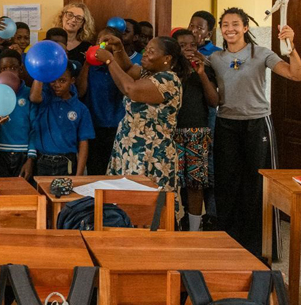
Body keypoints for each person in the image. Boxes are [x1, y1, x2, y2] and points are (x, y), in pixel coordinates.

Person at [209, 8, 301, 257]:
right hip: (226, 125)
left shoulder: (261, 53)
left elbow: (297, 74)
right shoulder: (215, 58)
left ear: (246, 28)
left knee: (259, 186)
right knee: (227, 186)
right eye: (225, 25)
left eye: (235, 24)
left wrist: (290, 46)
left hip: (257, 124)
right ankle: (229, 245)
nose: (230, 29)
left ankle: (263, 247)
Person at [95, 34, 187, 216]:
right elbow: (128, 69)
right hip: (130, 149)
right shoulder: (150, 74)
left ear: (167, 59)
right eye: (146, 50)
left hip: (150, 154)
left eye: (151, 52)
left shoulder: (168, 80)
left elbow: (131, 89)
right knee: (125, 203)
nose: (145, 54)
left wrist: (109, 61)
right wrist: (119, 48)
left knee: (147, 208)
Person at [172, 29, 218, 231]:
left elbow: (214, 101)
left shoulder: (204, 70)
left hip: (197, 132)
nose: (188, 49)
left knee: (195, 184)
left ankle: (193, 229)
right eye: (182, 46)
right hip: (171, 133)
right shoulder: (168, 71)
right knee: (170, 182)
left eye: (192, 45)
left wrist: (201, 74)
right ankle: (170, 224)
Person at [30, 61, 93, 176]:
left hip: (67, 163)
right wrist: (41, 72)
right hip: (42, 161)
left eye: (62, 81)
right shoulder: (45, 100)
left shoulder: (81, 109)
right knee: (42, 194)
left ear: (72, 80)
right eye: (53, 80)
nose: (57, 85)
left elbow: (83, 142)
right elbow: (34, 97)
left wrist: (79, 175)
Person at [76, 27, 124, 175]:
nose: (102, 45)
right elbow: (80, 91)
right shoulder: (89, 69)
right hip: (94, 126)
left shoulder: (119, 67)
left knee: (115, 172)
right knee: (95, 171)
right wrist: (87, 64)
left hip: (117, 127)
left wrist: (110, 61)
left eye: (106, 42)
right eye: (99, 42)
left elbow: (125, 87)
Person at [0, 50, 37, 179]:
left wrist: (30, 158)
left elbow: (35, 127)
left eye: (13, 68)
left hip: (22, 153)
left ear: (21, 70)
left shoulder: (30, 94)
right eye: (4, 68)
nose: (9, 72)